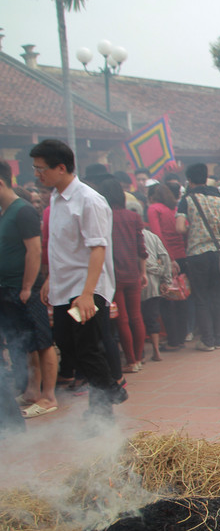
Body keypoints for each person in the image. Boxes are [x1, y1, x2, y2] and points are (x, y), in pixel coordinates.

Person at [30, 139, 128, 420]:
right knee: (67, 343)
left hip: (86, 287)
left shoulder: (89, 200)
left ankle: (105, 403)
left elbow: (98, 248)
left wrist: (87, 294)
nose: (38, 175)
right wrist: (51, 278)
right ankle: (108, 391)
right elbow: (61, 246)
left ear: (61, 168)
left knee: (87, 346)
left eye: (41, 169)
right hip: (64, 286)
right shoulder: (56, 197)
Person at [0, 161, 58, 419]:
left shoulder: (22, 211)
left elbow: (34, 250)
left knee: (42, 341)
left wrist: (26, 287)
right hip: (8, 288)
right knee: (25, 343)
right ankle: (32, 390)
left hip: (26, 288)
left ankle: (49, 396)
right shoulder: (5, 212)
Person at [175, 163, 220, 352]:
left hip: (196, 253)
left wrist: (194, 229)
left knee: (201, 297)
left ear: (189, 180)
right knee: (217, 295)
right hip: (217, 252)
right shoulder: (219, 198)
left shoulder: (187, 199)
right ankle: (218, 338)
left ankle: (207, 340)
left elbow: (179, 228)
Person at [97, 178, 148, 374]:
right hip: (133, 272)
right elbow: (141, 249)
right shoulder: (134, 217)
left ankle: (131, 360)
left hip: (113, 275)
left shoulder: (104, 217)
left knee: (123, 319)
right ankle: (140, 356)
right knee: (136, 316)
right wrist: (143, 272)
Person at [147, 181, 188, 350]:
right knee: (181, 298)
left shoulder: (154, 209)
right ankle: (181, 337)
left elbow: (157, 236)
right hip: (182, 255)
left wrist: (168, 260)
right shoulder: (173, 210)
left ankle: (172, 340)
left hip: (167, 258)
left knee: (167, 299)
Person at [141, 228, 172, 362]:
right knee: (152, 317)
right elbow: (164, 256)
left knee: (136, 319)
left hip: (133, 282)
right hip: (153, 283)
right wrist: (166, 280)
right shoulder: (152, 236)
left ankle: (139, 354)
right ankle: (156, 351)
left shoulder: (120, 233)